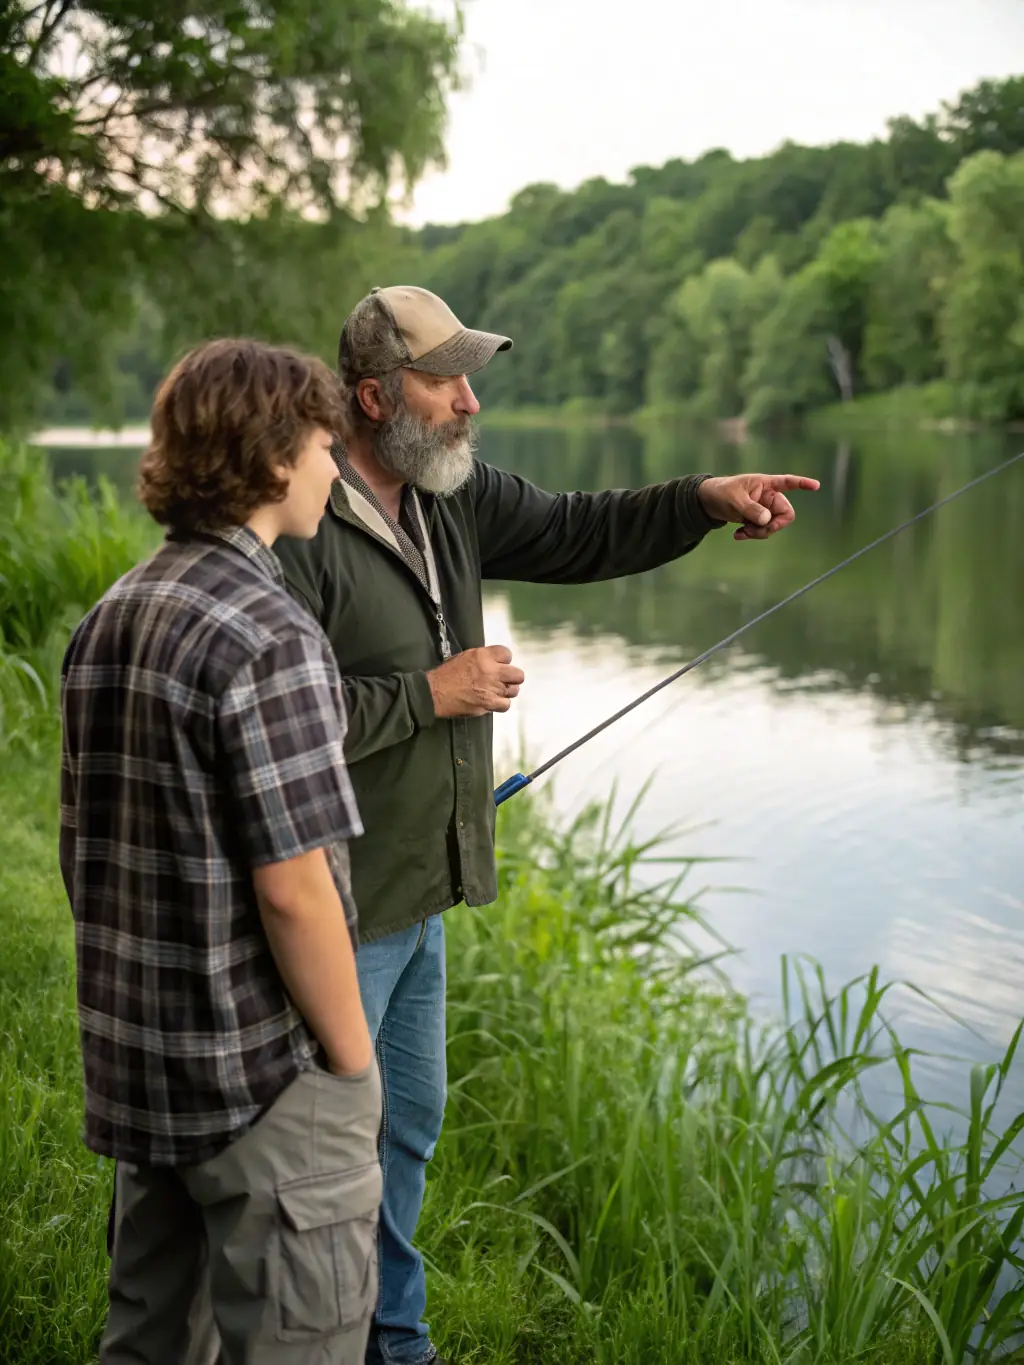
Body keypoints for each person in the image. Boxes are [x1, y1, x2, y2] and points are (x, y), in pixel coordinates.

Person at [273, 285, 821, 1365]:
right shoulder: (293, 518)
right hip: (327, 907)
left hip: (419, 898)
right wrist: (431, 695)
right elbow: (268, 724)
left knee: (405, 1136)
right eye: (447, 381)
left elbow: (583, 529)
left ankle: (395, 1342)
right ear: (379, 396)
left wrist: (706, 497)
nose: (471, 402)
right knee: (315, 1159)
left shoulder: (450, 496)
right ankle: (304, 1340)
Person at [60, 338, 381, 1365]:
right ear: (276, 457)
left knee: (150, 1340)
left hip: (143, 1068)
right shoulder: (272, 632)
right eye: (327, 444)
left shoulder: (112, 613)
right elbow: (295, 888)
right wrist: (353, 1064)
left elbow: (90, 852)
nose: (336, 467)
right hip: (261, 1083)